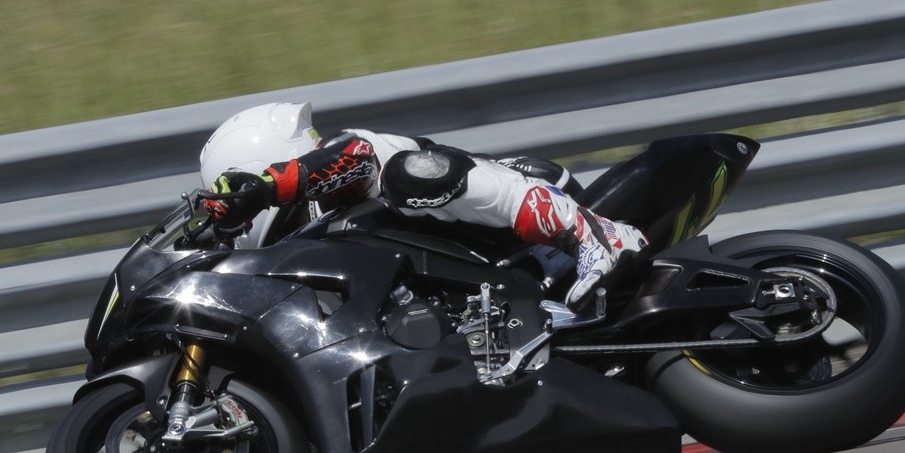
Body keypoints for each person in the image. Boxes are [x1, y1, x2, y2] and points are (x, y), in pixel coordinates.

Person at [200, 102, 650, 307]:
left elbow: (355, 159)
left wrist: (264, 187)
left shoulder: (342, 162)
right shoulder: (302, 242)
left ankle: (595, 235)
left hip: (524, 212)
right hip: (484, 280)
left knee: (408, 174)